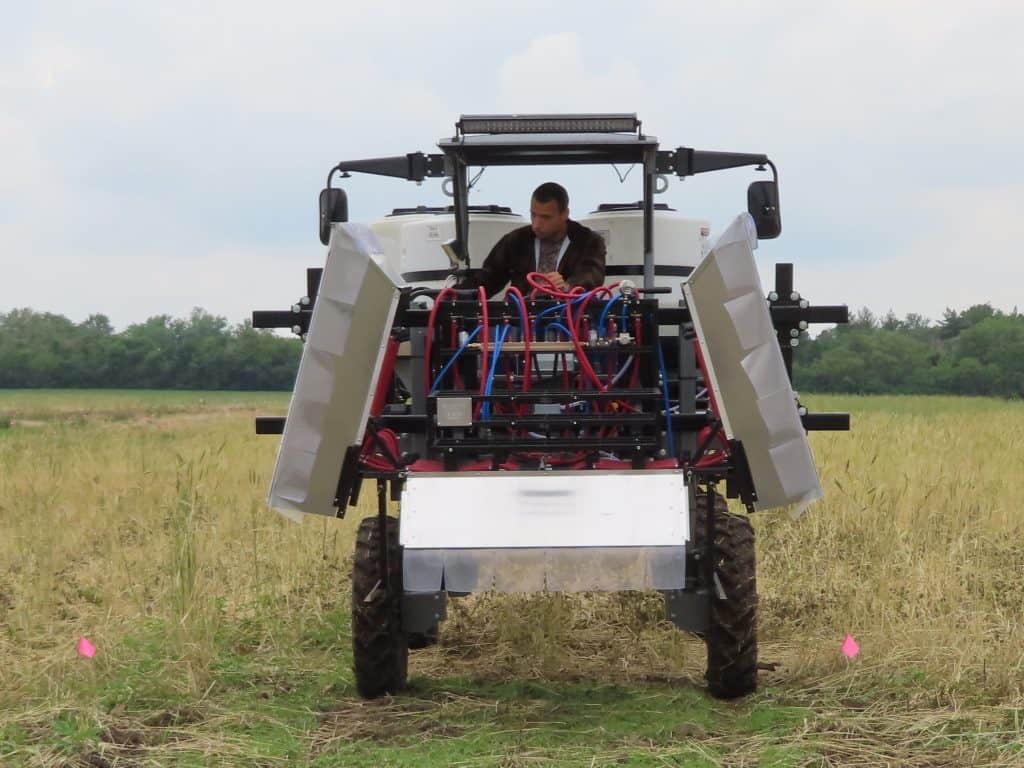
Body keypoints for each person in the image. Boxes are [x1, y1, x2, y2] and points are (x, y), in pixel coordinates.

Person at [462, 182, 606, 297]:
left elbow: (591, 274)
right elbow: (488, 278)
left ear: (564, 214)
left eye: (545, 217)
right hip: (521, 323)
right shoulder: (516, 240)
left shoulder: (588, 241)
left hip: (570, 320)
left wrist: (568, 287)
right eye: (533, 215)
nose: (536, 225)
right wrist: (454, 295)